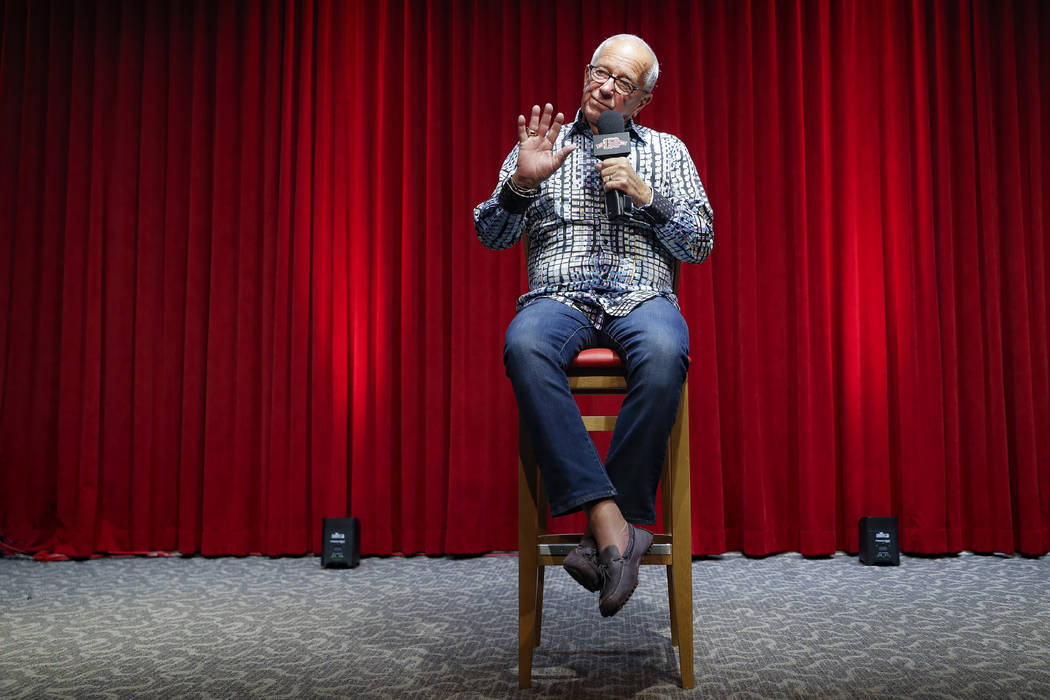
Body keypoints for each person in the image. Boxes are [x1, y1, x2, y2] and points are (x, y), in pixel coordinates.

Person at [473, 34, 714, 617]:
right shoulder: (539, 146)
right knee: (524, 344)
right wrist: (519, 186)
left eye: (623, 83)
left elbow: (701, 243)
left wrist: (648, 196)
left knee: (663, 352)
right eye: (599, 73)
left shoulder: (668, 150)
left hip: (642, 296)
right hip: (557, 297)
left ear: (641, 102)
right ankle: (614, 522)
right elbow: (491, 234)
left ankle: (607, 532)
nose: (605, 86)